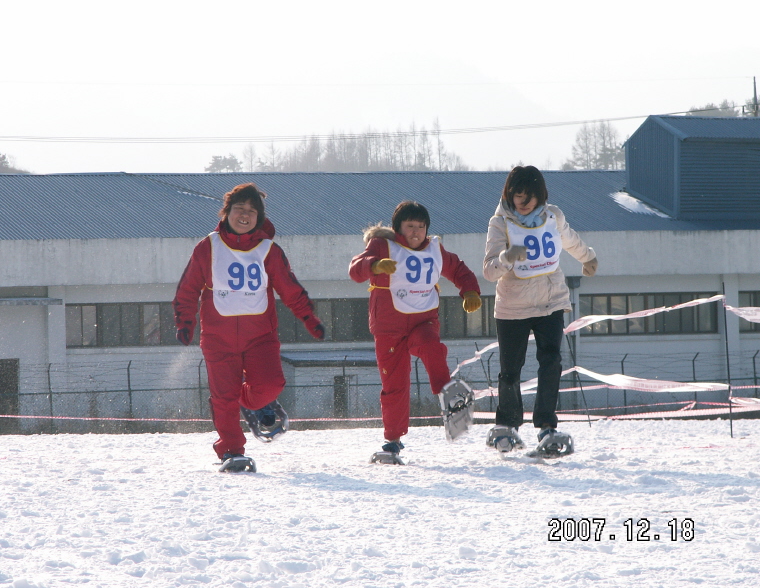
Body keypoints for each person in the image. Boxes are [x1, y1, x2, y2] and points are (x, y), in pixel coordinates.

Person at [174, 183, 325, 472]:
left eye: (251, 211)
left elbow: (290, 289)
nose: (244, 215)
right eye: (239, 209)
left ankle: (249, 400)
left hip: (261, 337)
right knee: (223, 397)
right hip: (218, 337)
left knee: (271, 385)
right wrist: (185, 321)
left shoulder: (269, 250)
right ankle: (231, 451)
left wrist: (309, 318)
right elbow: (189, 287)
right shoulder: (209, 246)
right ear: (226, 212)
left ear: (259, 217)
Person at [349, 201, 481, 457]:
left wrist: (471, 290)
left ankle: (451, 399)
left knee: (432, 348)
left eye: (421, 227)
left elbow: (458, 269)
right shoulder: (382, 245)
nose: (416, 232)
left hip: (423, 321)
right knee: (395, 385)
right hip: (389, 327)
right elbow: (355, 269)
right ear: (398, 228)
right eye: (410, 226)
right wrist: (374, 266)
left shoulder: (434, 249)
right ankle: (393, 440)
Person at [482, 165, 597, 455]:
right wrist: (507, 258)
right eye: (517, 196)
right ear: (509, 195)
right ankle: (507, 426)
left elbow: (569, 239)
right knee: (510, 371)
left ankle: (547, 425)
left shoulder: (552, 216)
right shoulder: (500, 223)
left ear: (540, 195)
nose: (523, 202)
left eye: (528, 197)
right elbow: (488, 270)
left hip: (551, 301)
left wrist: (588, 257)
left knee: (551, 363)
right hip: (512, 307)